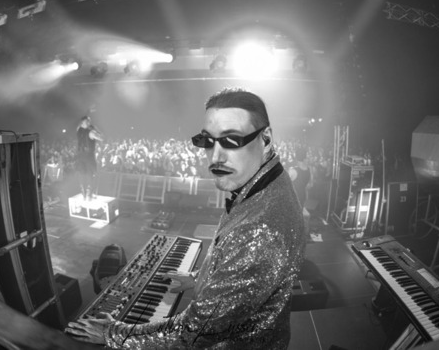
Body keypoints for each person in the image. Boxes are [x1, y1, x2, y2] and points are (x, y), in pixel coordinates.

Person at [68, 88, 306, 349]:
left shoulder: (260, 228)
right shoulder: (264, 184)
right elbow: (241, 272)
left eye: (232, 140)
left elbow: (195, 331)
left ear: (266, 139)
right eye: (208, 141)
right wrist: (198, 279)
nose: (215, 157)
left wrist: (113, 333)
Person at [76, 115, 103, 200]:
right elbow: (102, 138)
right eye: (88, 121)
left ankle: (84, 194)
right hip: (89, 157)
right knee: (92, 174)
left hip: (80, 156)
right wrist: (96, 129)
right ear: (85, 122)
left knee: (82, 174)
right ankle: (89, 195)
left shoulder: (78, 129)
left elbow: (80, 126)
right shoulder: (91, 132)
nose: (90, 122)